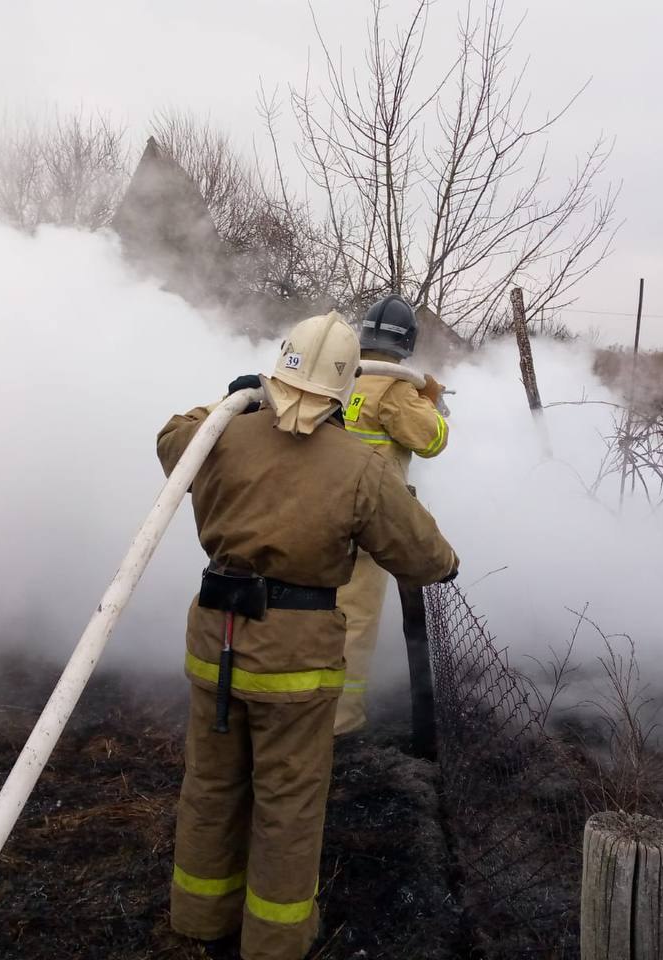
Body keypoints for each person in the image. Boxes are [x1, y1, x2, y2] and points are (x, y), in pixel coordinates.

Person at [157, 311, 458, 960]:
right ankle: (275, 940)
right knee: (288, 806)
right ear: (346, 386)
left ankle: (199, 918)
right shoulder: (358, 466)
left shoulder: (222, 438)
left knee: (210, 786)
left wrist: (229, 402)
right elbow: (424, 557)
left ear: (277, 367)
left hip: (215, 647)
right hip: (296, 664)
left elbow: (171, 439)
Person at [334, 295, 450, 735]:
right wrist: (433, 401)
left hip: (317, 514)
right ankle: (339, 723)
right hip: (366, 528)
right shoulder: (396, 389)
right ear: (407, 343)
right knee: (353, 624)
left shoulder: (341, 375)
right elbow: (432, 441)